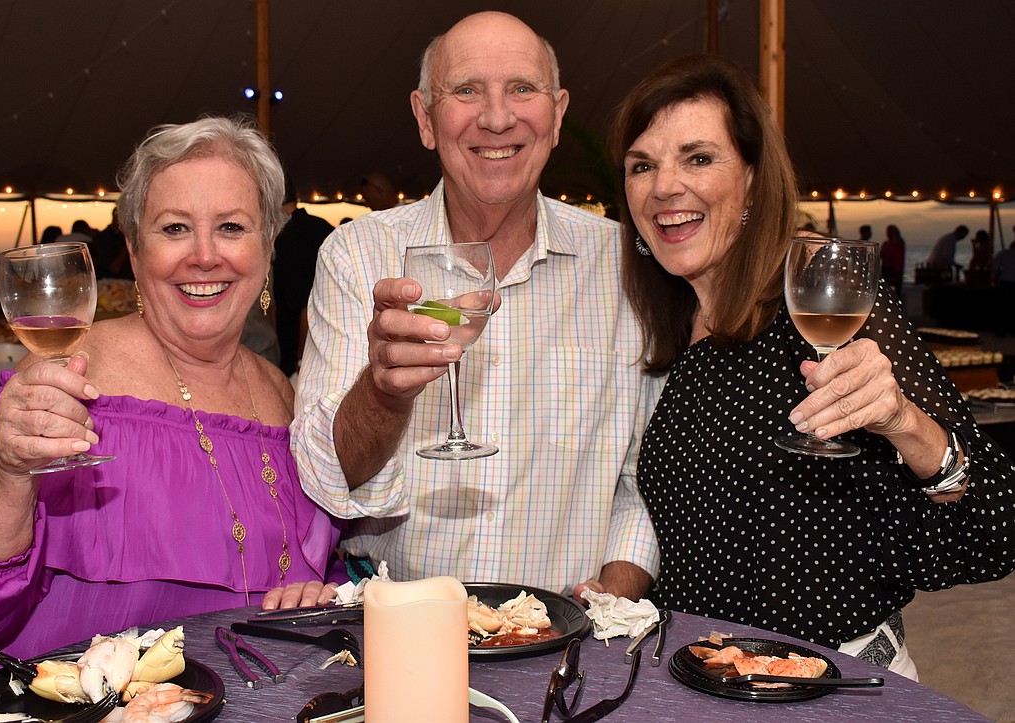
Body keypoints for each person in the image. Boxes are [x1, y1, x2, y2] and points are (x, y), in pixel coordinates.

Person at [612, 53, 1015, 677]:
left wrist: (906, 424)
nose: (665, 186)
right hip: (703, 680)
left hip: (826, 684)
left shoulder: (818, 302)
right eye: (643, 165)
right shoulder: (673, 328)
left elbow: (994, 530)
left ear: (752, 179)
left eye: (698, 158)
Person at [0, 116, 344, 684]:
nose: (204, 256)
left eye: (232, 227)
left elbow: (310, 563)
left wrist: (312, 595)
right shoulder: (65, 380)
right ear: (135, 253)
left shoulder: (283, 393)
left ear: (267, 248)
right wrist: (8, 470)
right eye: (174, 228)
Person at [292, 11, 662, 601]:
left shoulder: (626, 265)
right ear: (425, 118)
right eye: (466, 90)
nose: (496, 117)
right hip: (399, 623)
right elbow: (327, 476)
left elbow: (646, 478)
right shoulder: (358, 255)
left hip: (572, 630)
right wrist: (383, 393)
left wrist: (611, 603)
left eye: (522, 88)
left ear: (557, 114)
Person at [272, 175, 335, 376]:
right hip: (329, 351)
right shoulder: (321, 226)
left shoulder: (290, 236)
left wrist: (301, 360)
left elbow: (306, 306)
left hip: (303, 362)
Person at [880, 223, 906, 296]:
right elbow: (881, 255)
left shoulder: (899, 243)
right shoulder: (885, 244)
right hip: (886, 270)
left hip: (896, 271)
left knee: (896, 293)